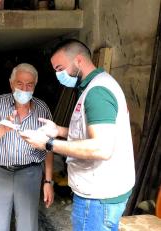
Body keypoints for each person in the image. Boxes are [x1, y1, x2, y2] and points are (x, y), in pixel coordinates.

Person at [20, 39, 136, 231]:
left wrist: (48, 144)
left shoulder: (97, 92)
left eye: (60, 68)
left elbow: (101, 148)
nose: (58, 75)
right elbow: (89, 133)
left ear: (79, 60)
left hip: (98, 199)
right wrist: (58, 130)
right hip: (101, 194)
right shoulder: (94, 87)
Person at [0, 63, 54, 231]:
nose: (24, 89)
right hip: (0, 172)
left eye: (29, 85)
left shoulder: (42, 109)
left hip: (30, 173)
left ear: (35, 85)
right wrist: (3, 129)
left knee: (27, 223)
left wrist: (48, 181)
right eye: (19, 83)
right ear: (11, 83)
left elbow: (49, 147)